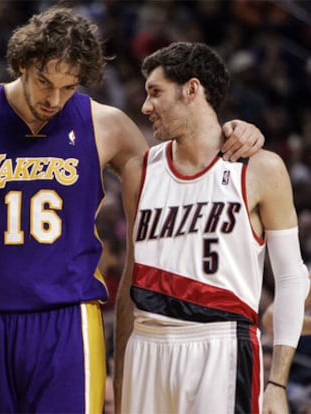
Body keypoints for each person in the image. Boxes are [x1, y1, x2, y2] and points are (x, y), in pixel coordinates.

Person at [0, 7, 265, 414]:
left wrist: (232, 132)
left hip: (67, 323)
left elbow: (185, 167)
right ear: (21, 64)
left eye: (68, 87)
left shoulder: (105, 125)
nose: (54, 99)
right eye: (44, 83)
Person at [114, 42, 310, 414]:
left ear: (192, 89)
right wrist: (122, 376)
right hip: (146, 344)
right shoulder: (138, 172)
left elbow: (290, 278)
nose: (145, 106)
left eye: (155, 92)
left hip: (221, 344)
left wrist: (277, 384)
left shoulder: (260, 168)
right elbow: (130, 279)